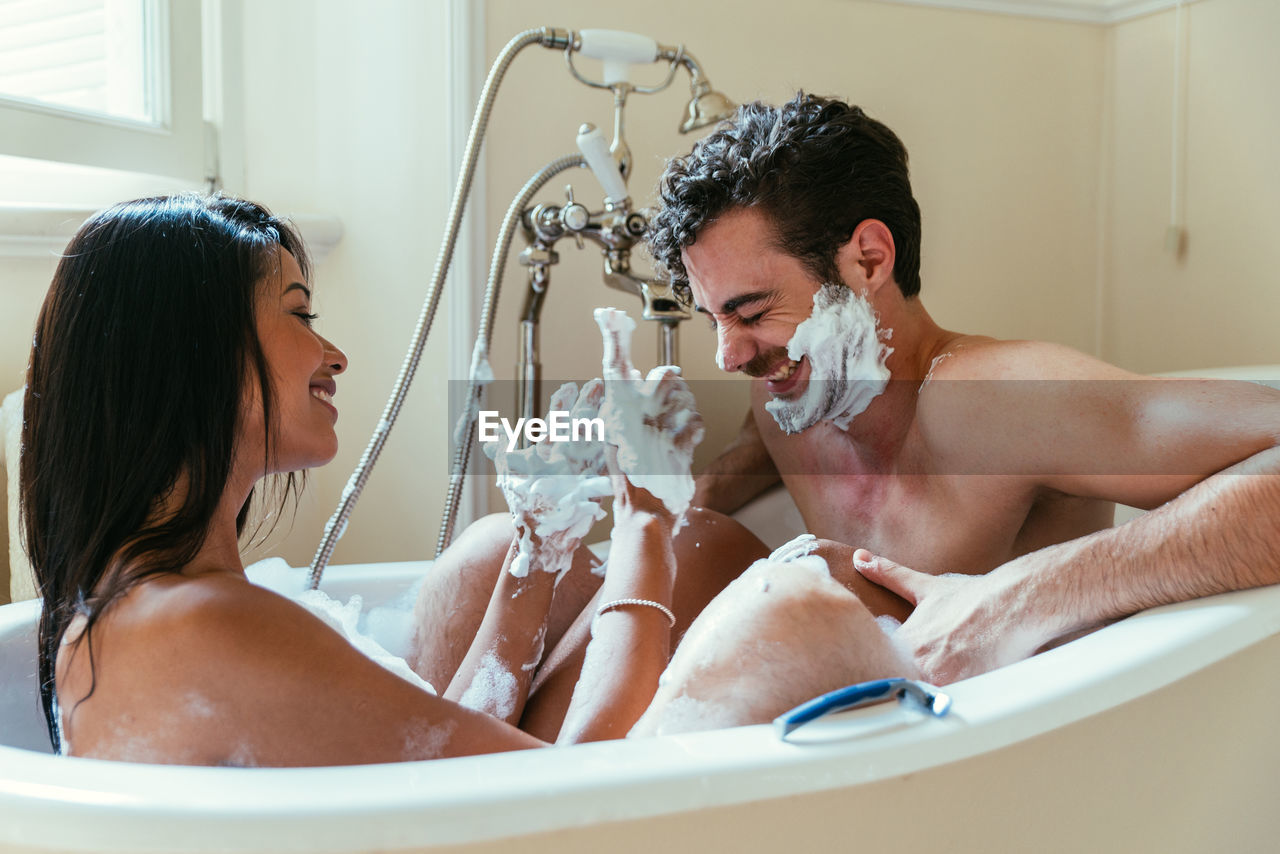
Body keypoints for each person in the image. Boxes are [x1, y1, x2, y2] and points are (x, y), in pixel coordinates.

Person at [639, 91, 1280, 696]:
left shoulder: (991, 400)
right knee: (683, 543)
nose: (728, 356)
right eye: (713, 318)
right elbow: (756, 451)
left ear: (867, 260)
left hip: (1031, 756)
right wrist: (665, 502)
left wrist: (1021, 594)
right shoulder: (790, 403)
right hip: (871, 747)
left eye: (751, 312)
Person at [20, 194, 695, 764]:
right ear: (191, 358)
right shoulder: (206, 626)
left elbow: (429, 760)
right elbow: (581, 803)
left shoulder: (142, 613)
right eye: (300, 314)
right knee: (737, 579)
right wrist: (647, 520)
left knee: (500, 551)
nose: (334, 356)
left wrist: (537, 549)